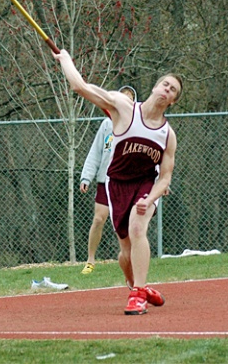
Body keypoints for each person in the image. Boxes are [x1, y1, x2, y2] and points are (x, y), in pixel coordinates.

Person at [52, 48, 183, 316]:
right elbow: (81, 87)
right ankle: (139, 287)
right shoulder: (124, 108)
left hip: (145, 185)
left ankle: (137, 294)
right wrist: (65, 60)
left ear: (172, 101)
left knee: (137, 229)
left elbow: (165, 176)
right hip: (116, 184)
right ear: (156, 86)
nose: (167, 90)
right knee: (124, 249)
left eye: (173, 91)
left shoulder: (167, 135)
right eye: (165, 84)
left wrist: (152, 197)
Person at [80, 85, 137, 275]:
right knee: (98, 219)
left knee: (130, 224)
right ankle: (90, 260)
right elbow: (96, 152)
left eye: (129, 99)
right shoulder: (106, 124)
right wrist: (86, 176)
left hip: (127, 183)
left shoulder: (137, 125)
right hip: (106, 181)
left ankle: (130, 259)